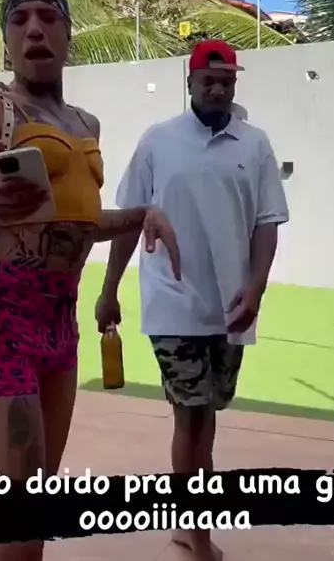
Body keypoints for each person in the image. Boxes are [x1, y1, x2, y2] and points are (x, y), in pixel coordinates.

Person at [0, 0, 180, 561]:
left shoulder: (86, 124)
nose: (35, 30)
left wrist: (142, 214)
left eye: (48, 17)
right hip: (5, 322)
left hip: (61, 326)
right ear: (7, 37)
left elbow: (79, 224)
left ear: (69, 33)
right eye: (19, 20)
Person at [96, 39, 289, 561]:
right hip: (173, 303)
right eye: (209, 80)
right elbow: (129, 220)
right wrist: (109, 290)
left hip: (232, 308)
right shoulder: (158, 141)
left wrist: (257, 287)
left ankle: (189, 524)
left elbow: (267, 223)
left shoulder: (255, 145)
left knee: (207, 417)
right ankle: (197, 536)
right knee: (192, 414)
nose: (218, 88)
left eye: (227, 80)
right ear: (190, 83)